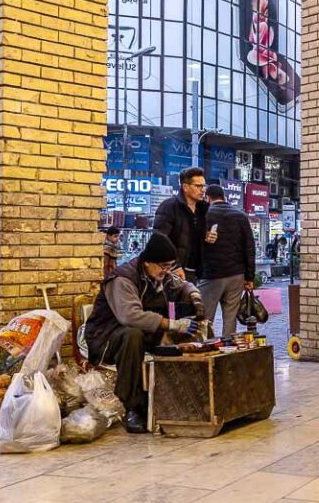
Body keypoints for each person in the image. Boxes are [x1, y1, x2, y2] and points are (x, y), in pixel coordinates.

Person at [84, 232, 205, 433]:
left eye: (170, 266)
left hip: (141, 333)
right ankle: (132, 407)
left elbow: (183, 285)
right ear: (148, 262)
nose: (167, 271)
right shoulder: (122, 279)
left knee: (185, 336)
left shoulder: (161, 275)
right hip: (107, 337)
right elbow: (130, 316)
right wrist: (170, 324)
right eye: (163, 266)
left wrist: (194, 296)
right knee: (133, 335)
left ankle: (180, 397)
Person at [200, 184, 256, 337]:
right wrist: (249, 277)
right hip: (236, 275)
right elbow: (250, 248)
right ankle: (228, 351)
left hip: (212, 275)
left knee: (205, 320)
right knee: (230, 318)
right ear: (224, 197)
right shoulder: (240, 216)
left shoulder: (204, 214)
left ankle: (208, 352)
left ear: (207, 198)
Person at [153, 167, 215, 283]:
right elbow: (159, 239)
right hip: (175, 272)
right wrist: (175, 266)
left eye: (204, 186)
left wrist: (208, 238)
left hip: (200, 273)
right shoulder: (169, 207)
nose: (203, 190)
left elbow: (196, 238)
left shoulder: (203, 209)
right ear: (185, 187)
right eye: (198, 186)